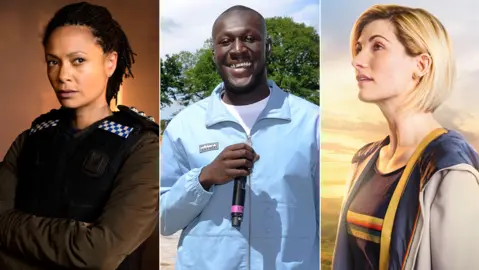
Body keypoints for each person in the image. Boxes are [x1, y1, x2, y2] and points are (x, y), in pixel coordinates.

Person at [0, 2, 159, 269]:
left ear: (110, 62)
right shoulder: (30, 139)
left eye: (78, 61)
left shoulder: (143, 147)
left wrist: (9, 228)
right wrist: (75, 239)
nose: (63, 76)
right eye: (53, 62)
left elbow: (99, 253)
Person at [160, 5, 319, 270]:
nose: (237, 49)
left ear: (267, 47)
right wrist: (204, 178)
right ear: (214, 53)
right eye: (225, 41)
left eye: (249, 38)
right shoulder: (183, 126)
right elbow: (162, 220)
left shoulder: (312, 123)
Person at [331, 4, 479, 270]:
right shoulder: (363, 159)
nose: (357, 60)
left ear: (421, 64)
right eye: (359, 47)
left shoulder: (450, 168)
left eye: (377, 46)